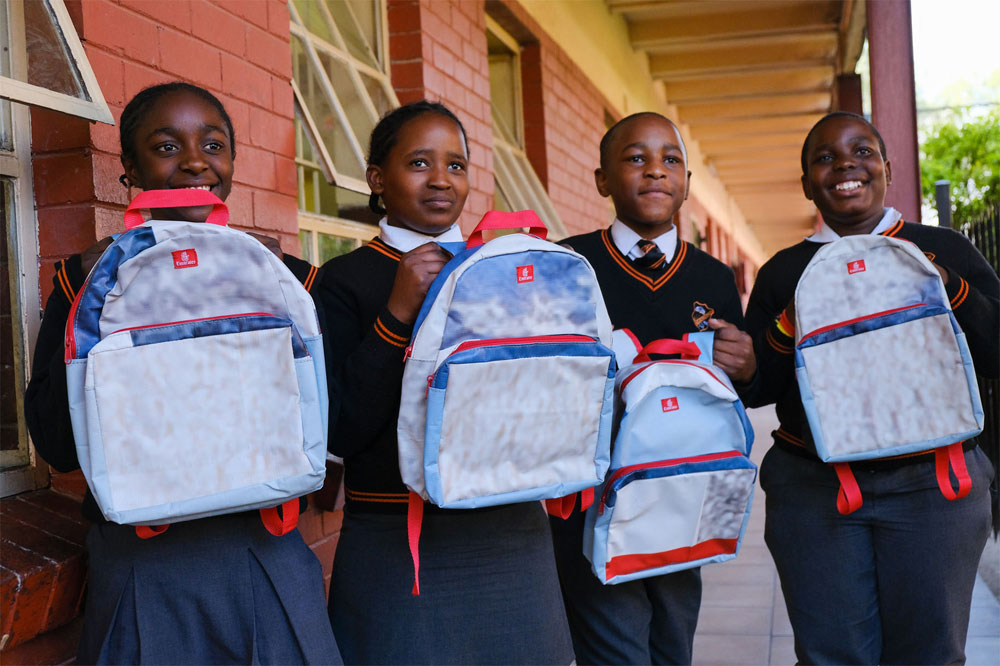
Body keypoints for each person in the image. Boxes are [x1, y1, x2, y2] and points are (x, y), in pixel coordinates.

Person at [24, 82, 341, 665]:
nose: (196, 162)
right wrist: (91, 297)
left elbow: (330, 422)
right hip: (145, 567)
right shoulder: (89, 279)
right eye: (167, 146)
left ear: (233, 163)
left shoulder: (286, 276)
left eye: (213, 145)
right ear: (130, 168)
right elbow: (57, 446)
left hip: (265, 552)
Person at [317, 100, 574, 665]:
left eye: (456, 165)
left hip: (511, 527)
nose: (441, 179)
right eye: (419, 163)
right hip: (394, 538)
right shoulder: (345, 279)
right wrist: (396, 314)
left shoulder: (508, 266)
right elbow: (341, 429)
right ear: (377, 179)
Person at [744, 111, 999, 665]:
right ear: (807, 184)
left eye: (862, 152)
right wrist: (787, 324)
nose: (845, 165)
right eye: (825, 158)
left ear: (887, 168)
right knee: (831, 655)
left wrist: (946, 286)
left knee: (930, 654)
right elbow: (757, 387)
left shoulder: (942, 249)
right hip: (815, 490)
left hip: (934, 485)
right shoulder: (783, 271)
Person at [548, 111, 758, 665]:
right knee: (614, 648)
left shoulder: (713, 277)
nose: (655, 171)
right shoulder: (569, 265)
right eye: (636, 158)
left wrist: (745, 367)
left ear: (686, 182)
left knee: (672, 642)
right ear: (602, 180)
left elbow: (730, 395)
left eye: (670, 160)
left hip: (681, 495)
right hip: (595, 498)